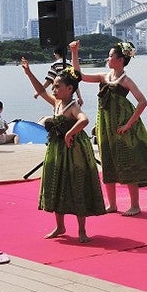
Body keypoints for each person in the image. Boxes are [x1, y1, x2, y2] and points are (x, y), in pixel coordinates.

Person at [70, 40, 147, 216]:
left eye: (111, 56)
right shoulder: (104, 76)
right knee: (107, 162)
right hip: (105, 127)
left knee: (128, 162)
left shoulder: (126, 80)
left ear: (121, 59)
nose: (108, 58)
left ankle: (135, 205)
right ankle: (112, 204)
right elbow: (80, 76)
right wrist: (74, 53)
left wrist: (129, 124)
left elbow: (142, 101)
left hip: (121, 128)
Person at [21, 57, 105, 242]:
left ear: (70, 89)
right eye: (55, 86)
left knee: (76, 185)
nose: (54, 89)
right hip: (57, 150)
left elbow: (84, 120)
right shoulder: (57, 103)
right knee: (57, 184)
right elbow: (41, 90)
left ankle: (82, 230)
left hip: (73, 151)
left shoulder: (72, 106)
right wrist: (29, 73)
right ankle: (60, 226)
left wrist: (69, 133)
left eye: (58, 86)